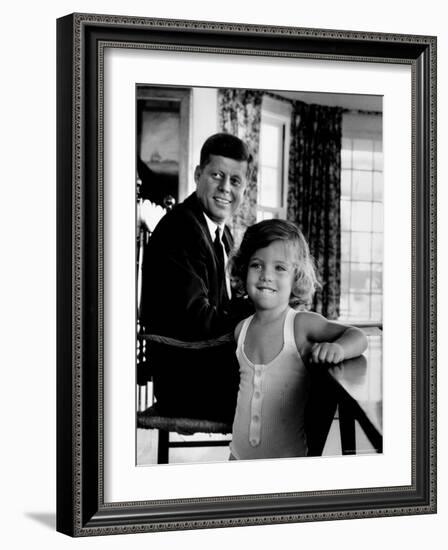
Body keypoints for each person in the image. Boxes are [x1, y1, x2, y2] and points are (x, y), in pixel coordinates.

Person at [228, 219, 368, 460]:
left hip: (289, 463)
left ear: (297, 277)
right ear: (244, 269)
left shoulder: (300, 324)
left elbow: (359, 336)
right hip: (237, 457)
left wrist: (338, 349)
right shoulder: (241, 330)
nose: (266, 276)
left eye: (280, 268)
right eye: (257, 265)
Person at [140, 133, 254, 422]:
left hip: (206, 363)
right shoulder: (181, 230)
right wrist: (258, 315)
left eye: (236, 180)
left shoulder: (221, 232)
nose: (225, 188)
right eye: (217, 175)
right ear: (198, 174)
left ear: (245, 188)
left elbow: (222, 306)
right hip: (186, 379)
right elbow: (196, 322)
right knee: (298, 388)